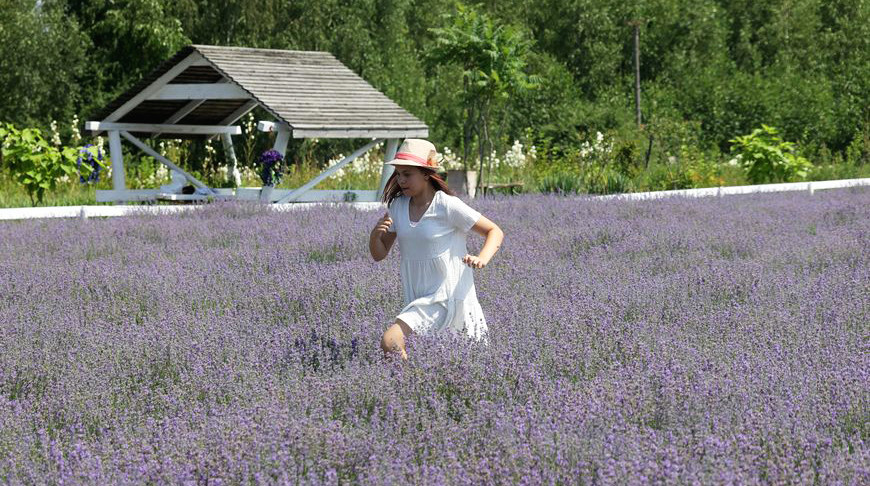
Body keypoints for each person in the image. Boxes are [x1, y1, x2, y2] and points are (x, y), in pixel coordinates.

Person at [369, 139, 504, 360]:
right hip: (417, 296)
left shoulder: (447, 205)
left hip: (446, 296)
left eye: (407, 174)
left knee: (390, 341)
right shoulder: (398, 207)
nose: (401, 180)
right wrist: (375, 236)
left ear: (426, 173)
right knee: (449, 360)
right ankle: (416, 390)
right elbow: (379, 253)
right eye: (398, 174)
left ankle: (409, 388)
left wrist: (482, 258)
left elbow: (494, 231)